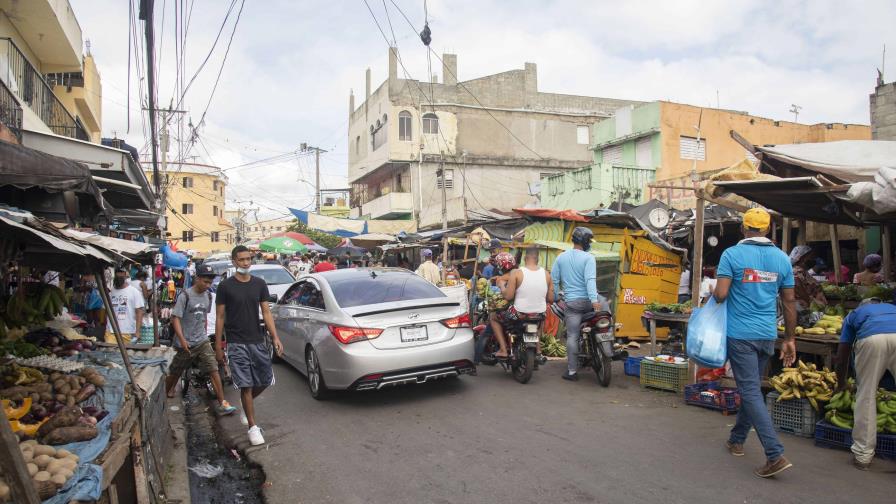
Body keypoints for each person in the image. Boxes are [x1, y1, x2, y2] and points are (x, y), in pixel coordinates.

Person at [713, 208, 797, 478]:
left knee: (749, 390)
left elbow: (722, 295)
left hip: (741, 334)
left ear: (743, 228)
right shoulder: (782, 259)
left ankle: (774, 454)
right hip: (767, 334)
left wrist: (711, 297)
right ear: (769, 229)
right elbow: (789, 302)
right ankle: (737, 439)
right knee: (752, 390)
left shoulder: (732, 255)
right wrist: (790, 338)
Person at [214, 246, 284, 446]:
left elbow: (266, 312)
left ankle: (247, 406)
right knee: (246, 385)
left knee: (265, 379)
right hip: (236, 342)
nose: (245, 263)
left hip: (257, 340)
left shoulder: (259, 284)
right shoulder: (225, 286)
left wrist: (275, 337)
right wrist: (219, 345)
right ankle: (253, 427)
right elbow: (220, 316)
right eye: (241, 259)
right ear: (234, 261)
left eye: (248, 259)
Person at [166, 265, 237, 416]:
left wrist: (205, 333)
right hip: (184, 343)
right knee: (175, 372)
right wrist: (182, 339)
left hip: (201, 341)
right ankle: (168, 390)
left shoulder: (209, 296)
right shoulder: (185, 296)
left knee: (213, 369)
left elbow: (203, 317)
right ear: (197, 279)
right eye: (205, 282)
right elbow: (175, 319)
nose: (207, 285)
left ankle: (223, 403)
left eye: (210, 283)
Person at [834, 297, 896, 469]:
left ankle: (863, 456)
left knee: (866, 396)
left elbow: (842, 356)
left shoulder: (854, 314)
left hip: (872, 339)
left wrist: (841, 382)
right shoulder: (892, 307)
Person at [551, 227, 609, 382]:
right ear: (584, 241)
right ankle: (609, 340)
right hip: (590, 303)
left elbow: (554, 281)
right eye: (589, 241)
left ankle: (571, 372)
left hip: (572, 305)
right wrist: (594, 300)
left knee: (572, 336)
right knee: (606, 311)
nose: (589, 243)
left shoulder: (560, 258)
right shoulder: (589, 258)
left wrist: (556, 297)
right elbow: (590, 281)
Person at [492, 248, 553, 363]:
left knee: (494, 317)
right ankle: (538, 350)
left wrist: (501, 286)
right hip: (540, 314)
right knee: (535, 325)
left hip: (519, 314)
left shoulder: (517, 273)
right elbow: (550, 299)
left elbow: (508, 296)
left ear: (525, 259)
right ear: (538, 259)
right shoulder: (547, 274)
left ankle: (503, 349)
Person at [105, 267, 146, 344]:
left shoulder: (134, 292)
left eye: (121, 273)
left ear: (126, 275)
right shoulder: (110, 293)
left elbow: (139, 312)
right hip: (111, 332)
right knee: (110, 353)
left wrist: (137, 331)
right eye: (117, 273)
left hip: (128, 332)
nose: (119, 275)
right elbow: (107, 311)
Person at [789, 245, 827, 311]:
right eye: (807, 256)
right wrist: (811, 300)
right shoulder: (798, 271)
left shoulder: (797, 269)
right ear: (801, 258)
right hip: (801, 303)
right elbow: (801, 290)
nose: (809, 258)